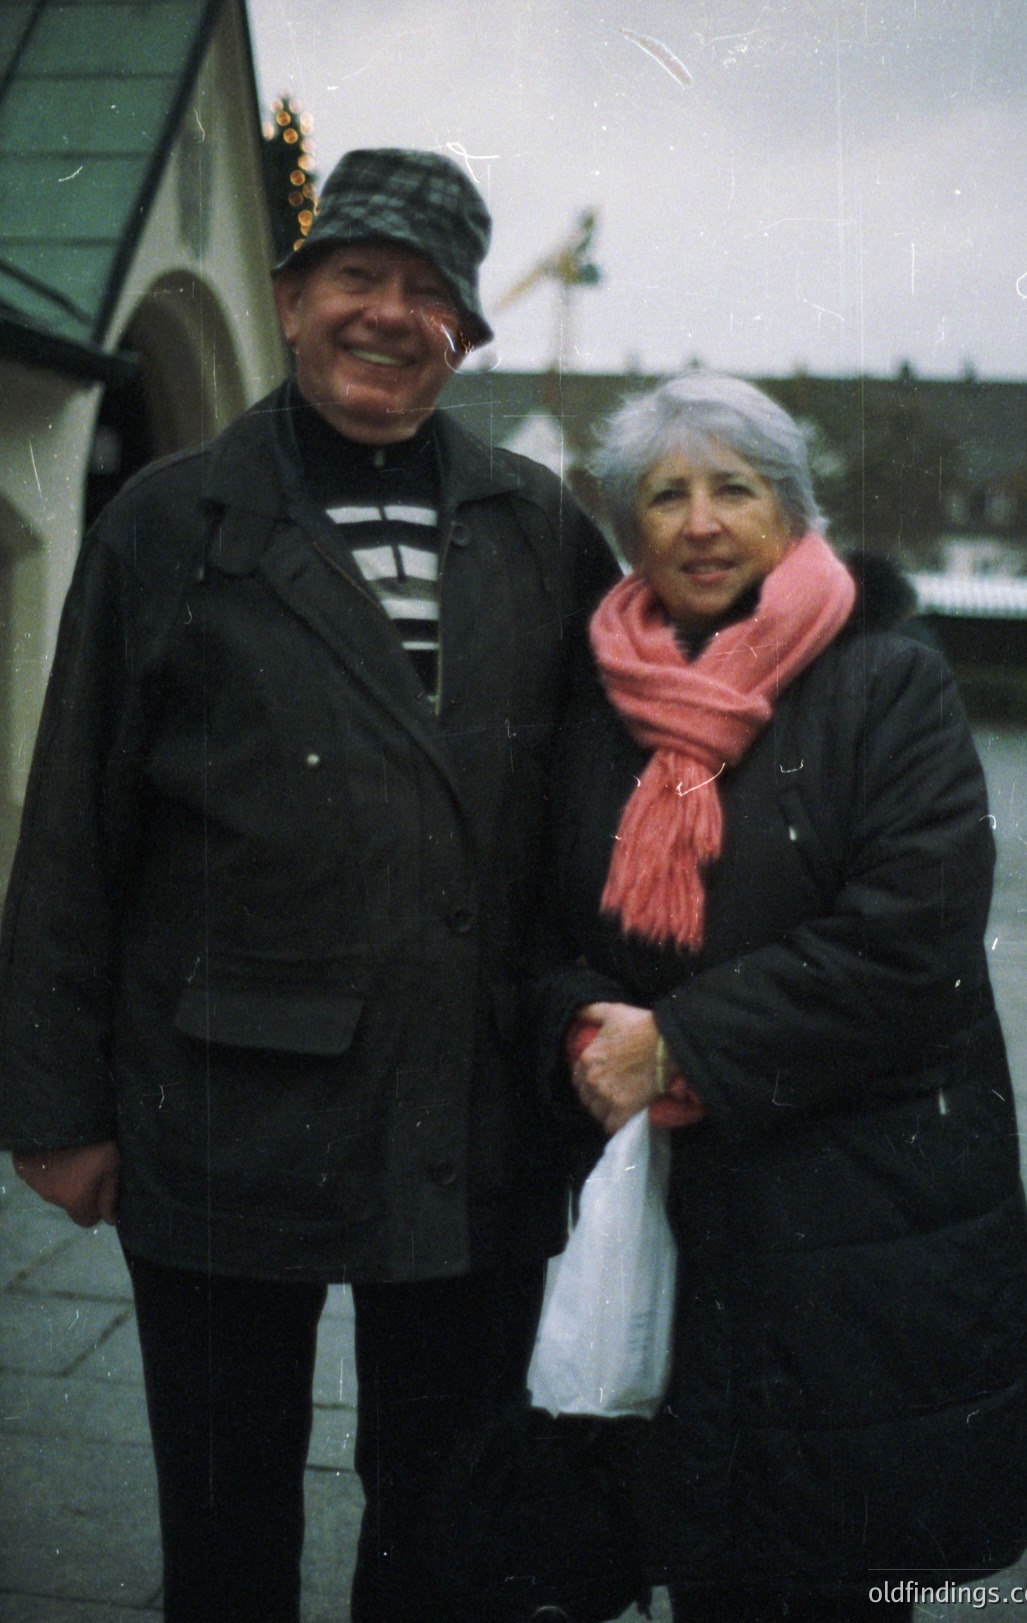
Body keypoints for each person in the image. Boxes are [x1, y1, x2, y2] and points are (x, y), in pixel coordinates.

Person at [0, 148, 617, 1622]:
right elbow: (76, 824)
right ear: (289, 298)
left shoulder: (542, 526)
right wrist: (50, 1108)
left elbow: (620, 803)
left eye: (427, 292)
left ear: (467, 332)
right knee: (225, 1518)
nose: (388, 314)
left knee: (443, 1519)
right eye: (357, 276)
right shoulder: (169, 518)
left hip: (470, 1114)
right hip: (221, 1110)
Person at [535, 372, 1027, 1622]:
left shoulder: (889, 681)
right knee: (691, 1526)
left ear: (794, 510)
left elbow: (910, 932)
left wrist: (685, 1045)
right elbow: (541, 911)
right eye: (666, 494)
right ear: (630, 525)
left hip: (855, 1202)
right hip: (662, 1193)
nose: (700, 521)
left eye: (735, 488)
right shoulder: (602, 697)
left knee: (829, 1557)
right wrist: (586, 1025)